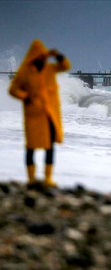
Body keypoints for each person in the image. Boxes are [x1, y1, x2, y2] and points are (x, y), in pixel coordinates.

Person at [8, 39, 71, 187]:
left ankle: (48, 178)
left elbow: (65, 66)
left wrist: (58, 56)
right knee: (31, 147)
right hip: (33, 115)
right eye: (40, 57)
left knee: (50, 146)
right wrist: (25, 96)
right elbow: (13, 89)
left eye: (44, 56)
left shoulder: (49, 69)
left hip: (49, 113)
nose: (43, 59)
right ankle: (31, 179)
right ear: (33, 57)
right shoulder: (24, 72)